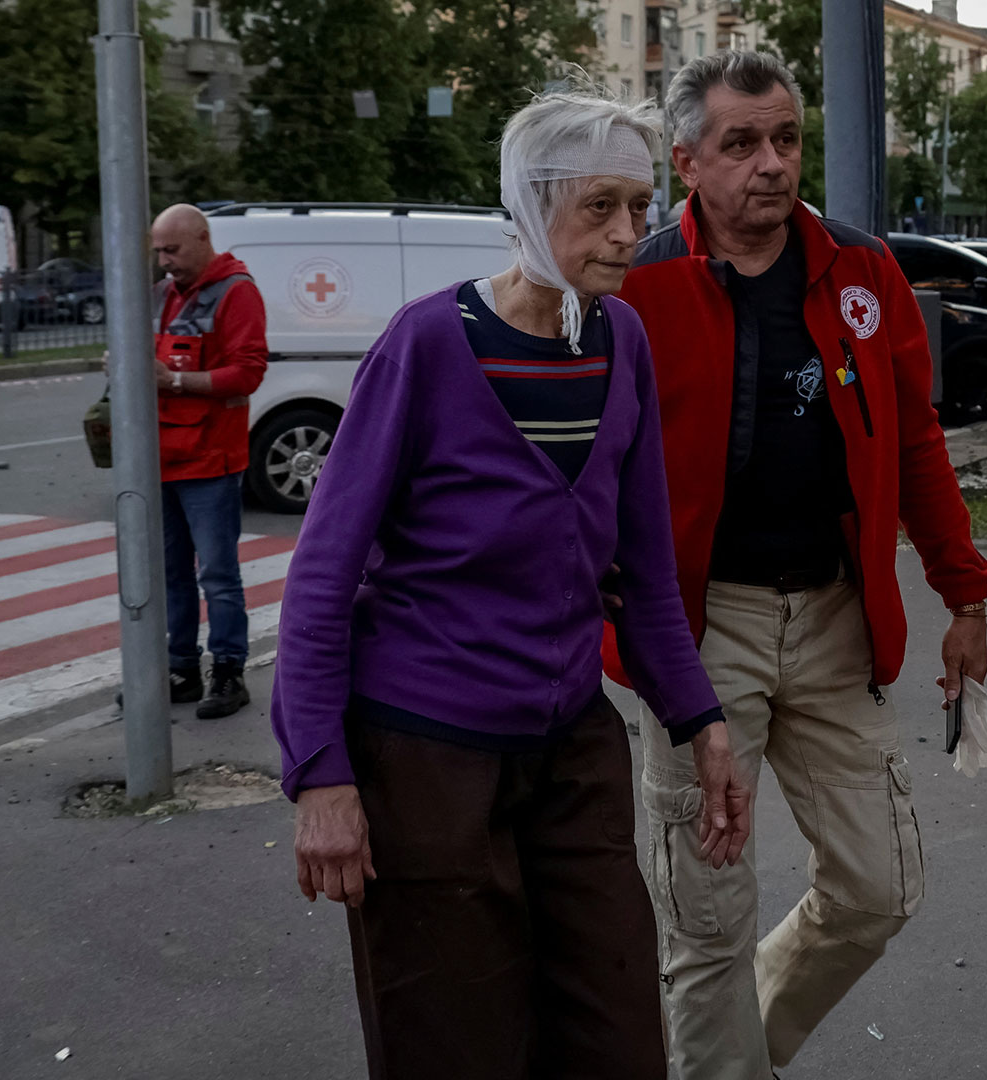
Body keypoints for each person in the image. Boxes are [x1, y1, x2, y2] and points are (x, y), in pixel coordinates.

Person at [273, 90, 748, 1078]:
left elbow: (647, 577)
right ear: (533, 211)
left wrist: (702, 725)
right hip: (426, 761)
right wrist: (321, 774)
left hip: (571, 754)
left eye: (640, 205)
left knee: (616, 1039)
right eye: (600, 208)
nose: (630, 234)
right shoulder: (428, 346)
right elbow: (320, 579)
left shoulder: (622, 346)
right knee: (457, 1044)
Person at [613, 51, 987, 1079]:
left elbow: (914, 443)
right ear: (689, 162)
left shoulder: (862, 271)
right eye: (742, 145)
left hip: (834, 621)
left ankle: (733, 1056)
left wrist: (964, 594)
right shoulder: (637, 287)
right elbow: (588, 481)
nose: (772, 165)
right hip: (698, 637)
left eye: (785, 139)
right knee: (706, 925)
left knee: (879, 890)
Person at [145, 204, 267, 718]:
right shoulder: (166, 295)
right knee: (170, 574)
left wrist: (172, 382)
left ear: (201, 239)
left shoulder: (237, 291)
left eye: (171, 250)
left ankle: (228, 673)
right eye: (157, 252)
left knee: (217, 575)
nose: (164, 261)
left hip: (210, 461)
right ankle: (182, 670)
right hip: (162, 459)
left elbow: (246, 373)